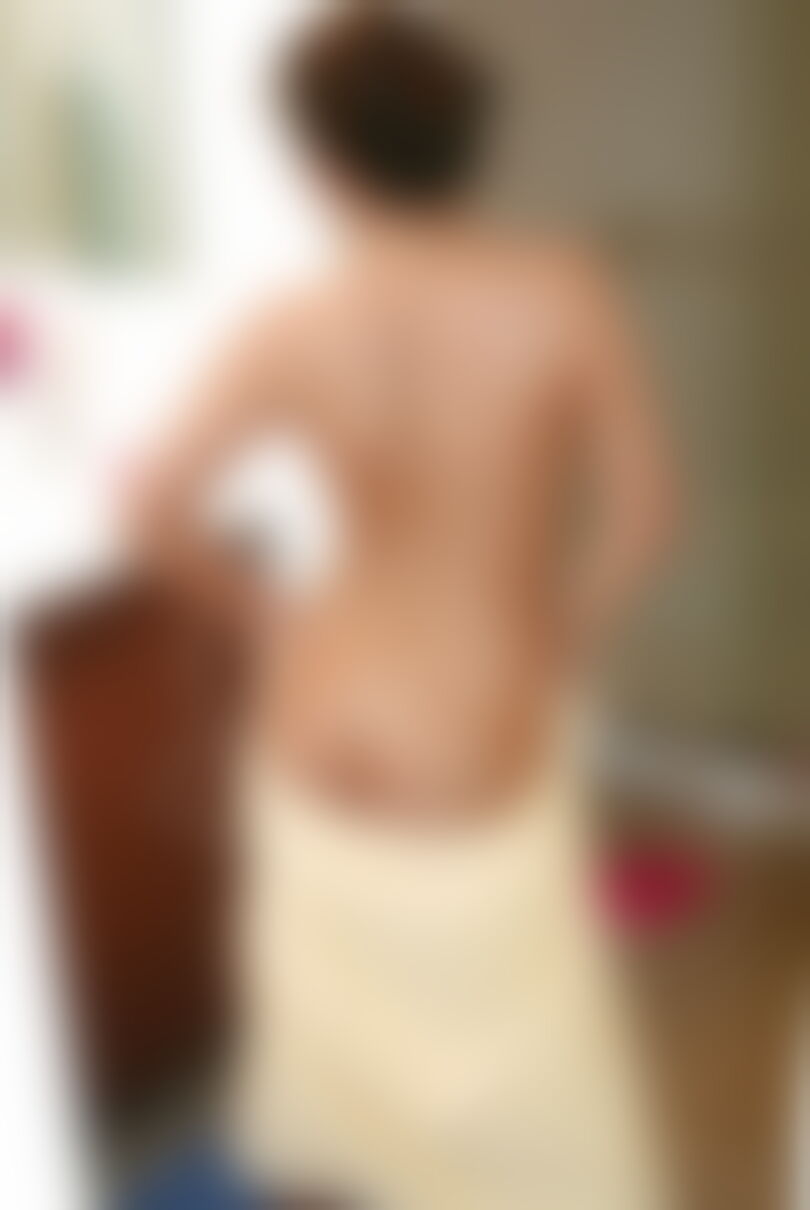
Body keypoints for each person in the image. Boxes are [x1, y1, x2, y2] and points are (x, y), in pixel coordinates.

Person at [133, 5, 677, 1208]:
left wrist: (264, 612)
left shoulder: (289, 324)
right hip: (474, 728)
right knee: (521, 1110)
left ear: (320, 160)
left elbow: (153, 502)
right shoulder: (562, 290)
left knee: (337, 1092)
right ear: (464, 146)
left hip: (315, 720)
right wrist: (566, 633)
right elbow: (648, 512)